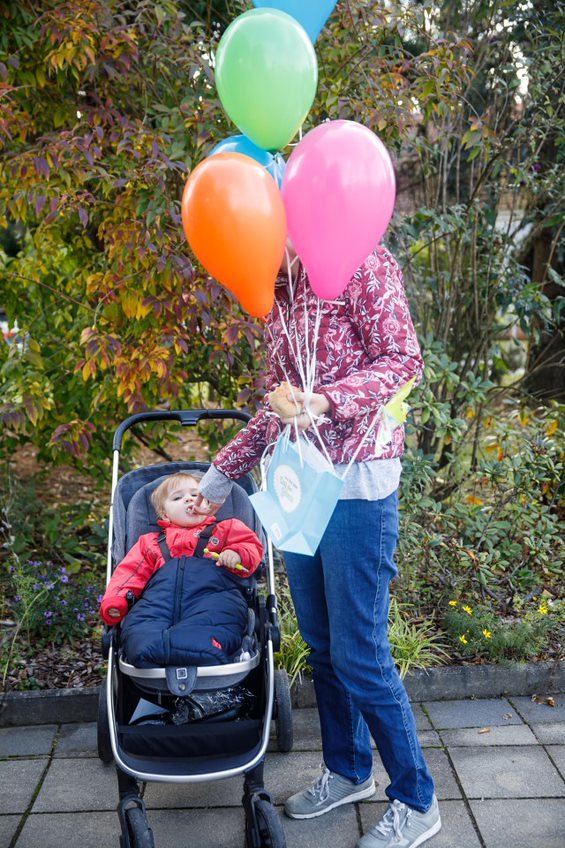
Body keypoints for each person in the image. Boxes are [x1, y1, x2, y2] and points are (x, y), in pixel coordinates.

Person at [194, 245, 441, 848]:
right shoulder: (279, 292)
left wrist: (326, 400)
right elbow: (277, 406)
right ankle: (349, 770)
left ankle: (417, 800)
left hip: (357, 485)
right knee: (324, 645)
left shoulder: (359, 258)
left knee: (361, 654)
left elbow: (403, 360)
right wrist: (217, 478)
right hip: (300, 488)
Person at [99, 471, 263, 625]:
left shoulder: (225, 530)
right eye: (178, 498)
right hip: (159, 605)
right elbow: (130, 573)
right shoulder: (151, 543)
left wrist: (237, 553)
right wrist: (117, 599)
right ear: (165, 514)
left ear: (208, 504)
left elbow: (251, 546)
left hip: (213, 601)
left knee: (218, 625)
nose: (189, 499)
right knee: (140, 631)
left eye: (196, 495)